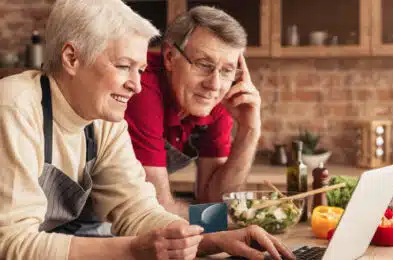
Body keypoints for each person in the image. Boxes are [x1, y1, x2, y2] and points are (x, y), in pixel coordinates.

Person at [0, 1, 295, 260]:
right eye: (123, 66)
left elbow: (139, 211)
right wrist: (133, 250)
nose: (136, 85)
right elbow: (10, 245)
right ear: (72, 59)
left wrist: (217, 239)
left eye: (139, 70)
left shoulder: (103, 119)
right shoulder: (15, 107)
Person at [125, 6, 261, 219]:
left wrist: (249, 130)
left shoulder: (216, 99)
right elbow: (156, 212)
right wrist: (224, 222)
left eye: (227, 71)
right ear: (170, 57)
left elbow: (216, 199)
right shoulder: (142, 86)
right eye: (204, 65)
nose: (214, 84)